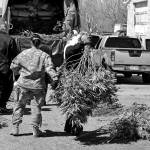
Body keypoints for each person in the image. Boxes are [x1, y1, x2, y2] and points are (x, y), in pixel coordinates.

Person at [10, 34, 59, 137]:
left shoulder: (23, 53)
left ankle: (16, 129)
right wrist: (55, 78)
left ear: (30, 42)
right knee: (36, 107)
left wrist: (20, 73)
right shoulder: (44, 55)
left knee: (19, 105)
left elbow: (13, 66)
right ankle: (35, 130)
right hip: (38, 86)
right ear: (40, 43)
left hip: (23, 84)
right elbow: (50, 69)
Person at [0, 19, 19, 113]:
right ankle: (2, 106)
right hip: (5, 67)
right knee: (6, 87)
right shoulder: (9, 39)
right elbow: (15, 55)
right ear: (5, 28)